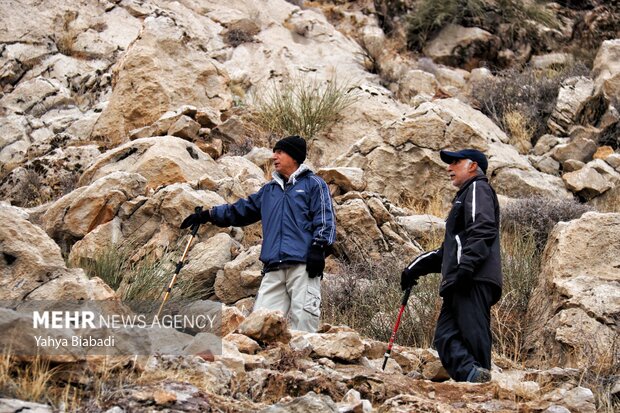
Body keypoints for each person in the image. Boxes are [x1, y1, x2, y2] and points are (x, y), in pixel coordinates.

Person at [180, 135, 336, 332]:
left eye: (280, 152)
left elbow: (325, 219)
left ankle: (303, 361)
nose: (274, 156)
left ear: (294, 157)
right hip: (273, 267)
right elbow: (240, 210)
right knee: (260, 326)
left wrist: (318, 247)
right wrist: (208, 215)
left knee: (303, 324)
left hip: (303, 266)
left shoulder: (314, 184)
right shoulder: (269, 190)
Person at [401, 149, 502, 383]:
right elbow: (447, 252)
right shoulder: (464, 197)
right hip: (461, 278)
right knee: (445, 337)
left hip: (473, 277)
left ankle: (481, 389)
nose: (449, 168)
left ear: (473, 166)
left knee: (473, 334)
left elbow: (483, 229)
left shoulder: (478, 188)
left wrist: (466, 268)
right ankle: (473, 377)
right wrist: (414, 268)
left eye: (456, 162)